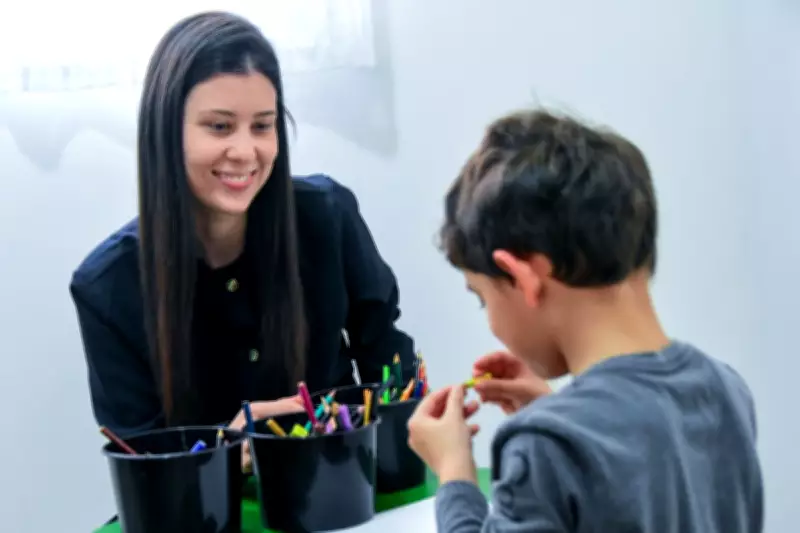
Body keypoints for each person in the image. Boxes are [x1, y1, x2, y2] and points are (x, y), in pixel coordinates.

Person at [407, 109, 763, 532]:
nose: (491, 322)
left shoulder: (545, 444)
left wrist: (454, 474)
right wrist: (554, 409)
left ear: (524, 278)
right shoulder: (724, 389)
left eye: (483, 299)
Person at [69, 11, 415, 443]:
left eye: (262, 126)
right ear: (166, 131)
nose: (245, 151)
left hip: (344, 488)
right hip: (211, 510)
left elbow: (387, 355)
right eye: (219, 126)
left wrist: (416, 425)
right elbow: (141, 456)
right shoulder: (107, 285)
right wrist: (225, 447)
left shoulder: (329, 215)